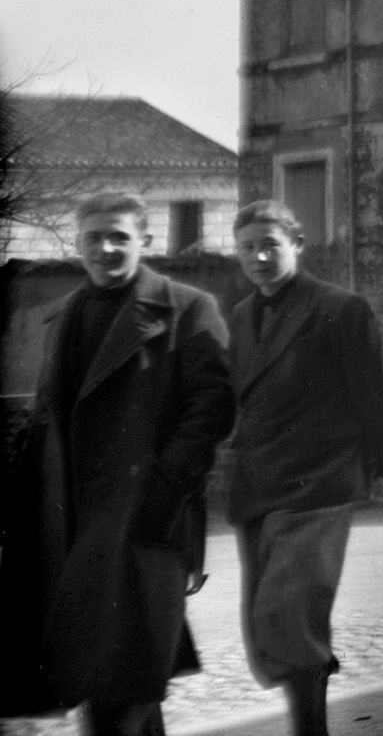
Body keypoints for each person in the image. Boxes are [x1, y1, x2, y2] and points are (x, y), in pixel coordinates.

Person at [0, 192, 234, 735]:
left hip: (143, 519)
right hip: (69, 524)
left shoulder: (186, 308)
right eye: (93, 238)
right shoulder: (63, 317)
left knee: (123, 676)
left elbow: (212, 410)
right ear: (78, 243)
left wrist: (164, 488)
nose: (106, 249)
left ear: (145, 242)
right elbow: (45, 420)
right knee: (104, 678)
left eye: (120, 237)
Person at [227, 200, 383, 736]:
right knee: (267, 630)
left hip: (317, 486)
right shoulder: (240, 316)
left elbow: (377, 398)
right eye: (248, 248)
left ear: (297, 246)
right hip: (258, 489)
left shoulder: (340, 309)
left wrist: (364, 473)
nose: (258, 257)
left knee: (293, 622)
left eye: (270, 245)